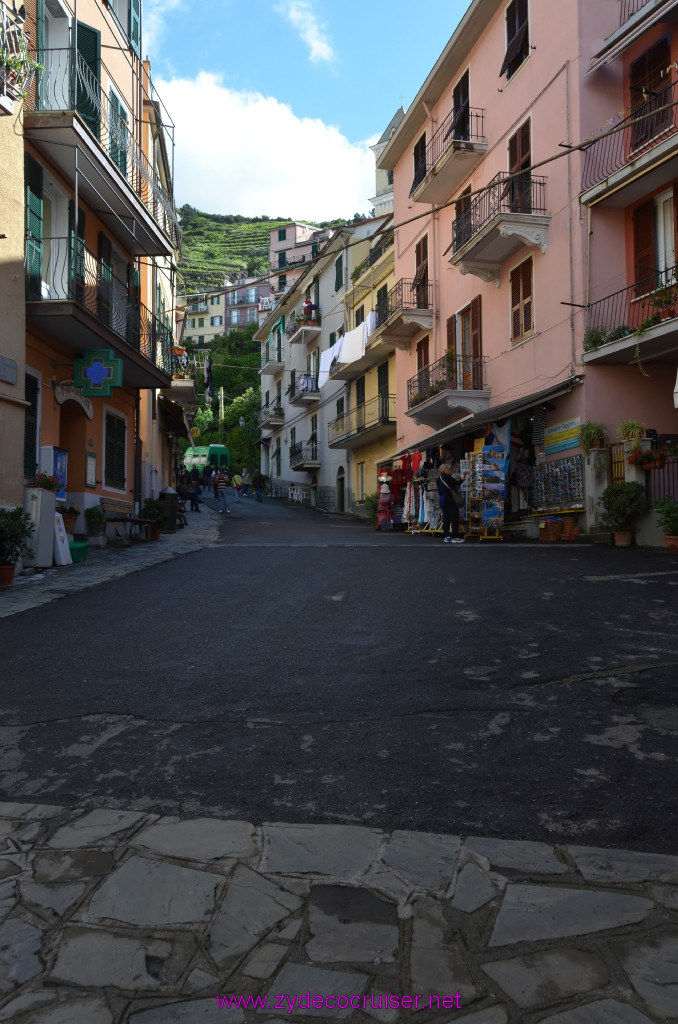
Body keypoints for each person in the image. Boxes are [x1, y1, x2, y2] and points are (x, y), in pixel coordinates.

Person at [437, 463, 466, 544]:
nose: (450, 470)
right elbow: (457, 483)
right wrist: (463, 478)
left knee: (446, 519)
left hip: (443, 501)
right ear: (444, 470)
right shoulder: (448, 477)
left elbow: (439, 491)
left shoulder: (438, 479)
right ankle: (455, 537)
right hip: (450, 500)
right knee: (455, 518)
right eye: (448, 469)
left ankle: (447, 536)